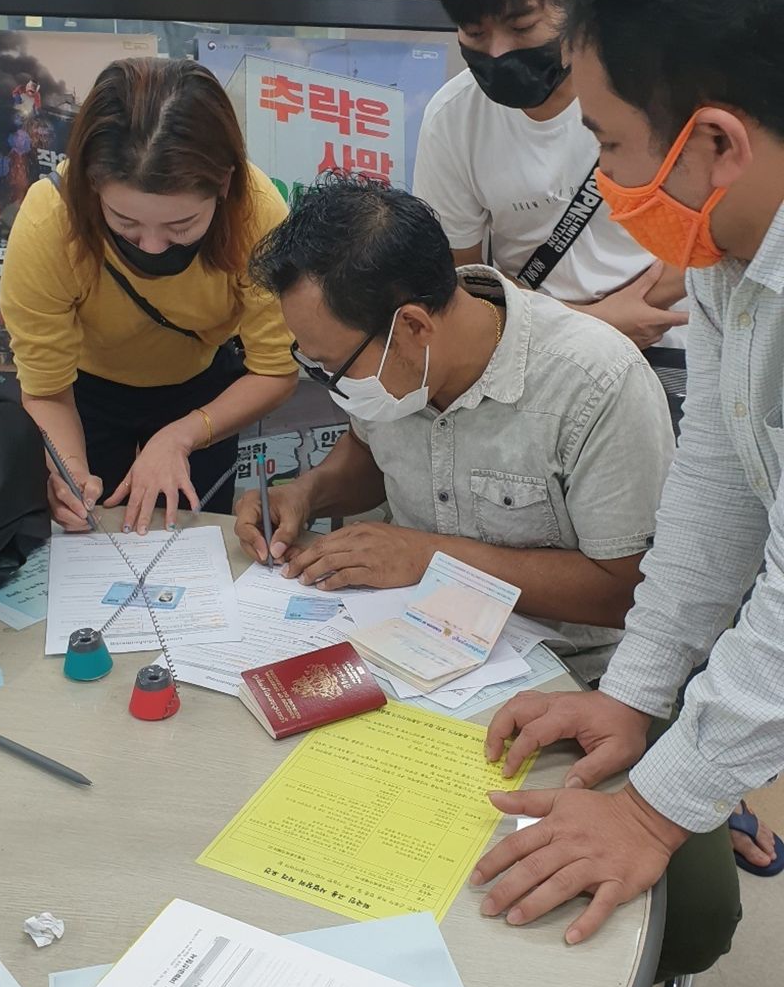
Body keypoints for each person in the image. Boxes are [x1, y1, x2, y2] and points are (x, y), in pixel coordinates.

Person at [472, 0, 784, 944]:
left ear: (712, 141)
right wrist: (634, 691)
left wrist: (652, 811)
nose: (601, 177)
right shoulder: (723, 240)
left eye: (606, 145)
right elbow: (717, 483)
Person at [235, 174, 673, 683]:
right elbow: (369, 451)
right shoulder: (392, 362)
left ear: (415, 327)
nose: (331, 384)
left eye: (333, 365)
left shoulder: (594, 382)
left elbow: (629, 591)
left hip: (565, 677)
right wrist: (306, 494)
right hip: (406, 647)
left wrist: (432, 560)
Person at [413, 0, 688, 412]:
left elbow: (704, 236)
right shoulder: (453, 120)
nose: (497, 51)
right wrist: (595, 325)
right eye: (473, 31)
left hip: (664, 337)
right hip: (536, 352)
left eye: (521, 25)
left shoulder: (648, 92)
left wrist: (631, 318)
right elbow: (465, 286)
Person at [0, 57, 297, 534]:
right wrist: (70, 469)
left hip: (206, 390)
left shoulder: (257, 215)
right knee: (88, 524)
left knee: (196, 537)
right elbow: (47, 388)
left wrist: (183, 435)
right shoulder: (49, 222)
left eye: (181, 226)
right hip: (85, 394)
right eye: (126, 224)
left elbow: (276, 370)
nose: (153, 246)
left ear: (223, 184)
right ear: (93, 186)